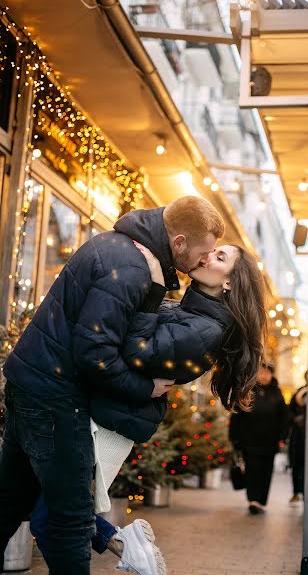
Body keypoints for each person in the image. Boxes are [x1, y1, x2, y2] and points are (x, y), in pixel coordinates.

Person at [0, 196, 225, 575]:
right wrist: (147, 388)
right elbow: (95, 355)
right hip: (56, 399)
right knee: (69, 521)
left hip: (33, 386)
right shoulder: (132, 268)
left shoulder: (124, 251)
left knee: (9, 502)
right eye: (204, 253)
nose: (205, 261)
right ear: (180, 242)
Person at [29, 241, 269, 572]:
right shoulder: (190, 312)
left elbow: (134, 350)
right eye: (211, 248)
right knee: (49, 506)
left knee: (51, 518)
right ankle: (124, 542)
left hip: (105, 425)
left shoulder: (206, 329)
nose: (208, 254)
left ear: (228, 281)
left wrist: (153, 286)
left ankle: (124, 543)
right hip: (100, 412)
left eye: (220, 256)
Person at [229, 363, 288, 514]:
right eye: (261, 372)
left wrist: (283, 437)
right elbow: (237, 415)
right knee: (252, 471)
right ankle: (253, 500)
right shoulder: (247, 391)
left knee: (266, 471)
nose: (264, 375)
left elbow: (284, 418)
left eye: (267, 373)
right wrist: (235, 438)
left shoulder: (277, 394)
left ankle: (262, 500)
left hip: (270, 441)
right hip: (249, 440)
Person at [288, 374, 307, 504]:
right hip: (298, 435)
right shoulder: (299, 393)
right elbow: (289, 412)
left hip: (307, 434)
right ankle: (296, 492)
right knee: (296, 464)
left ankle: (306, 492)